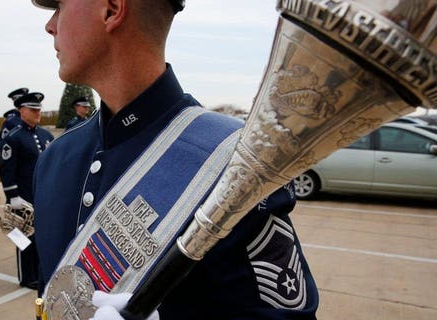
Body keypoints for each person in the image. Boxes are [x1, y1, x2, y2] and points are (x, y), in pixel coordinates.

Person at [29, 1, 319, 319]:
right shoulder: (55, 158)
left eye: (60, 5)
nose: (50, 24)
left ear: (111, 9)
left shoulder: (238, 163)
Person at [0, 92, 53, 289]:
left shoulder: (45, 135)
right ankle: (26, 276)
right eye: (33, 109)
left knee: (40, 236)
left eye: (39, 108)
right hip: (23, 197)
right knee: (24, 239)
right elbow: (7, 169)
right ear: (22, 111)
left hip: (42, 196)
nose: (38, 112)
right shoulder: (13, 138)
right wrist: (13, 196)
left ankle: (38, 271)